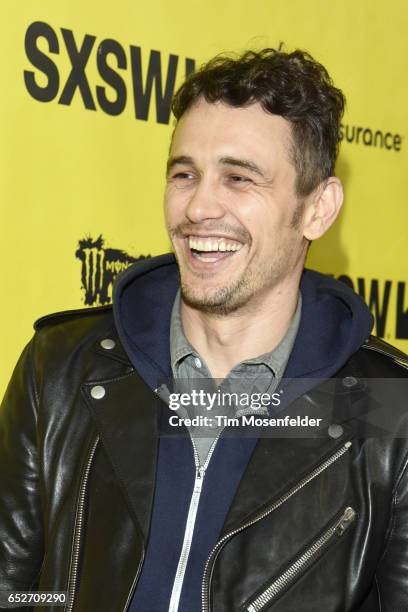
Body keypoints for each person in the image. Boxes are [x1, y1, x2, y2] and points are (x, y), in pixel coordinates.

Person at [1, 48, 408, 612]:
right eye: (184, 174)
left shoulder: (388, 407)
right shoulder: (63, 366)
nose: (198, 207)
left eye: (239, 178)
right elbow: (12, 586)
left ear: (317, 208)